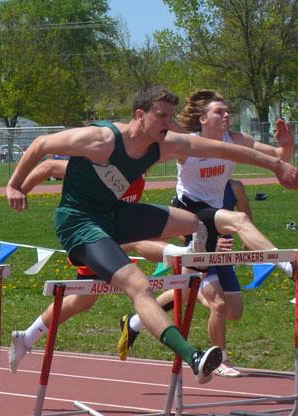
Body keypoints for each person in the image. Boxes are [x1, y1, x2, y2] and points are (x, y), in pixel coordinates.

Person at [5, 85, 298, 383]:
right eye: (161, 116)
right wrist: (16, 186)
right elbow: (42, 145)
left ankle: (193, 262)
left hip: (114, 217)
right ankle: (193, 358)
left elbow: (219, 149)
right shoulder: (103, 140)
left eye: (171, 116)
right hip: (80, 224)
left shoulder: (162, 146)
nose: (168, 123)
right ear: (140, 115)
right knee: (137, 285)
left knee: (193, 221)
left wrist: (276, 163)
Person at [117, 89, 296, 376]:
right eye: (219, 112)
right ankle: (288, 267)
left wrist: (287, 146)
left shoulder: (234, 140)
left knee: (231, 309)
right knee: (218, 299)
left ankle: (136, 321)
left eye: (228, 111)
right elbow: (148, 152)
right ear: (203, 118)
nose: (227, 115)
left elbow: (279, 156)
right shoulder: (186, 145)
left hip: (216, 223)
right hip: (192, 218)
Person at [7, 159, 199, 372]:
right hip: (90, 236)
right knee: (135, 244)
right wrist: (20, 191)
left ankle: (26, 337)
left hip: (114, 231)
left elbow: (178, 145)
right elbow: (49, 167)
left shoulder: (145, 163)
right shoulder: (104, 168)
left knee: (82, 301)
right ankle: (185, 253)